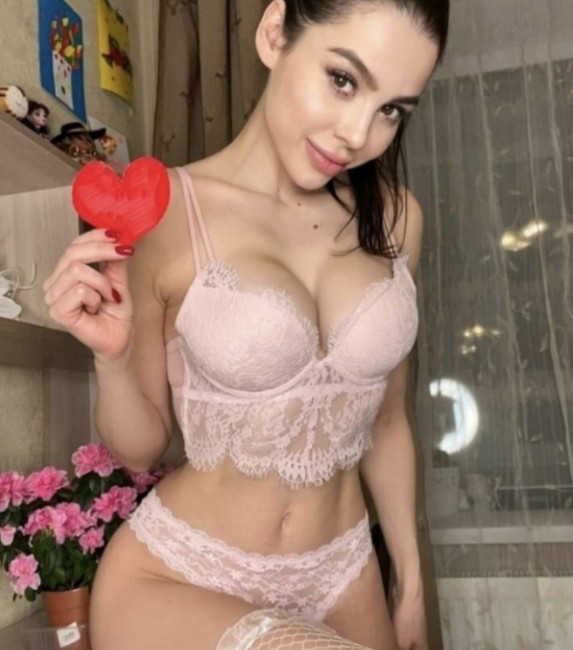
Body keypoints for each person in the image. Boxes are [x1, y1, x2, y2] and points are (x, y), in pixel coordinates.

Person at [43, 0, 449, 648]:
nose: (357, 133)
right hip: (181, 576)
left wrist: (409, 588)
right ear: (273, 32)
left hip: (344, 575)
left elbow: (388, 423)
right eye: (343, 80)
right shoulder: (168, 212)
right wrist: (112, 360)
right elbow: (140, 449)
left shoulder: (397, 221)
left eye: (391, 110)